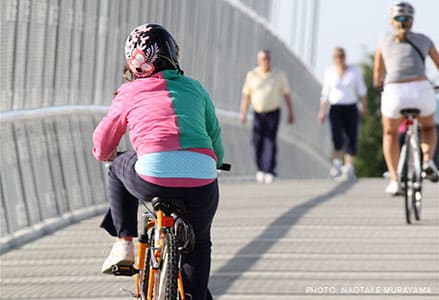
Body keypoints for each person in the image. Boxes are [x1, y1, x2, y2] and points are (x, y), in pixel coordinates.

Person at [92, 23, 224, 299]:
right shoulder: (196, 89)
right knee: (198, 244)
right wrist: (213, 161)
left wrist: (109, 157)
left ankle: (124, 243)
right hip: (201, 180)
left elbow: (103, 145)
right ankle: (194, 293)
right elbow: (216, 143)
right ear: (173, 54)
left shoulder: (129, 92)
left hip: (153, 177)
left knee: (117, 167)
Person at [373, 2, 439, 195]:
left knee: (390, 133)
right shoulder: (424, 40)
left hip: (394, 93)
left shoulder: (384, 41)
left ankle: (394, 179)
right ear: (412, 21)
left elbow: (378, 74)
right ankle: (427, 160)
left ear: (392, 21)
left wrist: (379, 86)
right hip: (421, 90)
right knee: (427, 127)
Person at [240, 50, 295, 184]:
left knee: (270, 140)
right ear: (259, 61)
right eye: (264, 59)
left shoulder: (279, 75)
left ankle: (269, 170)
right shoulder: (252, 75)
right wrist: (243, 112)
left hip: (273, 111)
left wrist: (291, 112)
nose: (266, 61)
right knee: (257, 140)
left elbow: (286, 94)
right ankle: (260, 169)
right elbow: (246, 95)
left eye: (268, 58)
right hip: (258, 112)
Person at [318, 47, 368, 180]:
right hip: (335, 107)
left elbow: (362, 90)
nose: (340, 59)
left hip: (351, 106)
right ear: (334, 59)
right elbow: (325, 94)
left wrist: (364, 106)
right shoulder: (329, 72)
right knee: (337, 136)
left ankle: (349, 165)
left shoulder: (354, 71)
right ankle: (337, 163)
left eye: (342, 56)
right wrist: (322, 111)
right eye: (337, 57)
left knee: (352, 135)